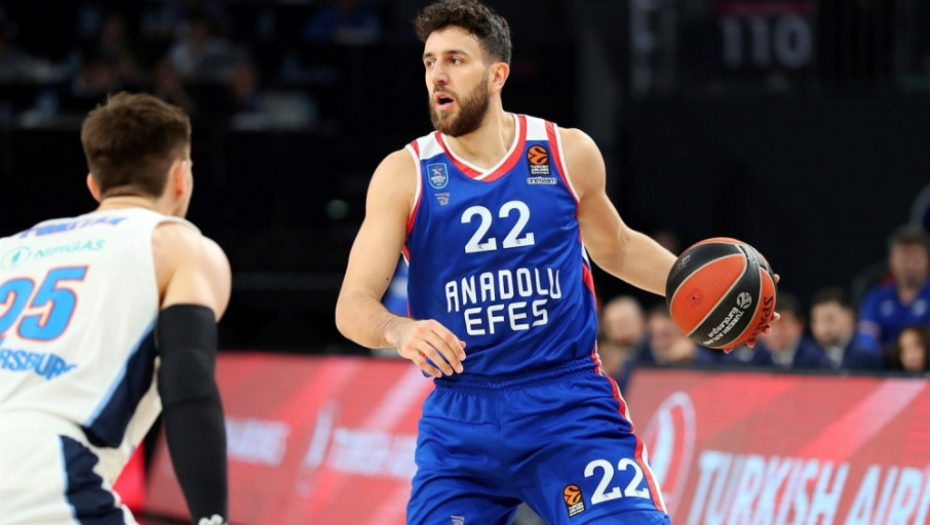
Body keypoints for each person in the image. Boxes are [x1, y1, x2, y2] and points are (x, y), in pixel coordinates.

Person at [334, 2, 777, 523]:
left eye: (455, 59)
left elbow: (617, 247)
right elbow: (352, 305)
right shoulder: (404, 174)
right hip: (462, 418)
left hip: (566, 407)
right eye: (430, 61)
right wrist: (398, 330)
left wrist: (712, 295)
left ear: (497, 74)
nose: (437, 75)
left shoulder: (565, 151)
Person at [0, 93, 231, 525]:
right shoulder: (178, 245)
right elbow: (188, 382)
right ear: (181, 177)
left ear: (94, 185)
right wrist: (212, 518)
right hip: (44, 470)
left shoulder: (8, 249)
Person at [858, 226, 930, 351]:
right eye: (904, 259)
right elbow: (866, 335)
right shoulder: (877, 297)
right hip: (884, 361)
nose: (910, 265)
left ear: (927, 260)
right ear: (892, 261)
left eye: (916, 259)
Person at [809, 287, 881, 370]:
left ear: (849, 317)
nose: (822, 329)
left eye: (830, 319)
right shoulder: (808, 358)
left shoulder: (865, 355)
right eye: (816, 321)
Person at [758, 292, 830, 370]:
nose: (777, 331)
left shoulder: (816, 358)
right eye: (771, 324)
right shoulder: (758, 357)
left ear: (800, 325)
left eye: (783, 323)